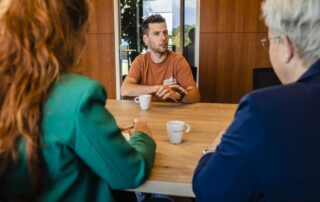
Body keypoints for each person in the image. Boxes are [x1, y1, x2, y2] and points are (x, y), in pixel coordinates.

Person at [0, 0, 156, 201]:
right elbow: (130, 173)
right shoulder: (80, 98)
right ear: (71, 34)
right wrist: (143, 136)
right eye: (87, 29)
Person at [193, 0, 320, 201]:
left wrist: (211, 150)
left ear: (286, 46)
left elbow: (210, 191)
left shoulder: (263, 110)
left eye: (268, 40)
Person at [120, 14, 200, 103]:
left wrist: (177, 95)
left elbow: (195, 96)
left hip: (172, 114)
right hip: (146, 113)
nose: (163, 38)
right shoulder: (140, 61)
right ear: (146, 39)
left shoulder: (178, 61)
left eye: (165, 32)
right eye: (157, 34)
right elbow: (125, 90)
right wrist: (157, 88)